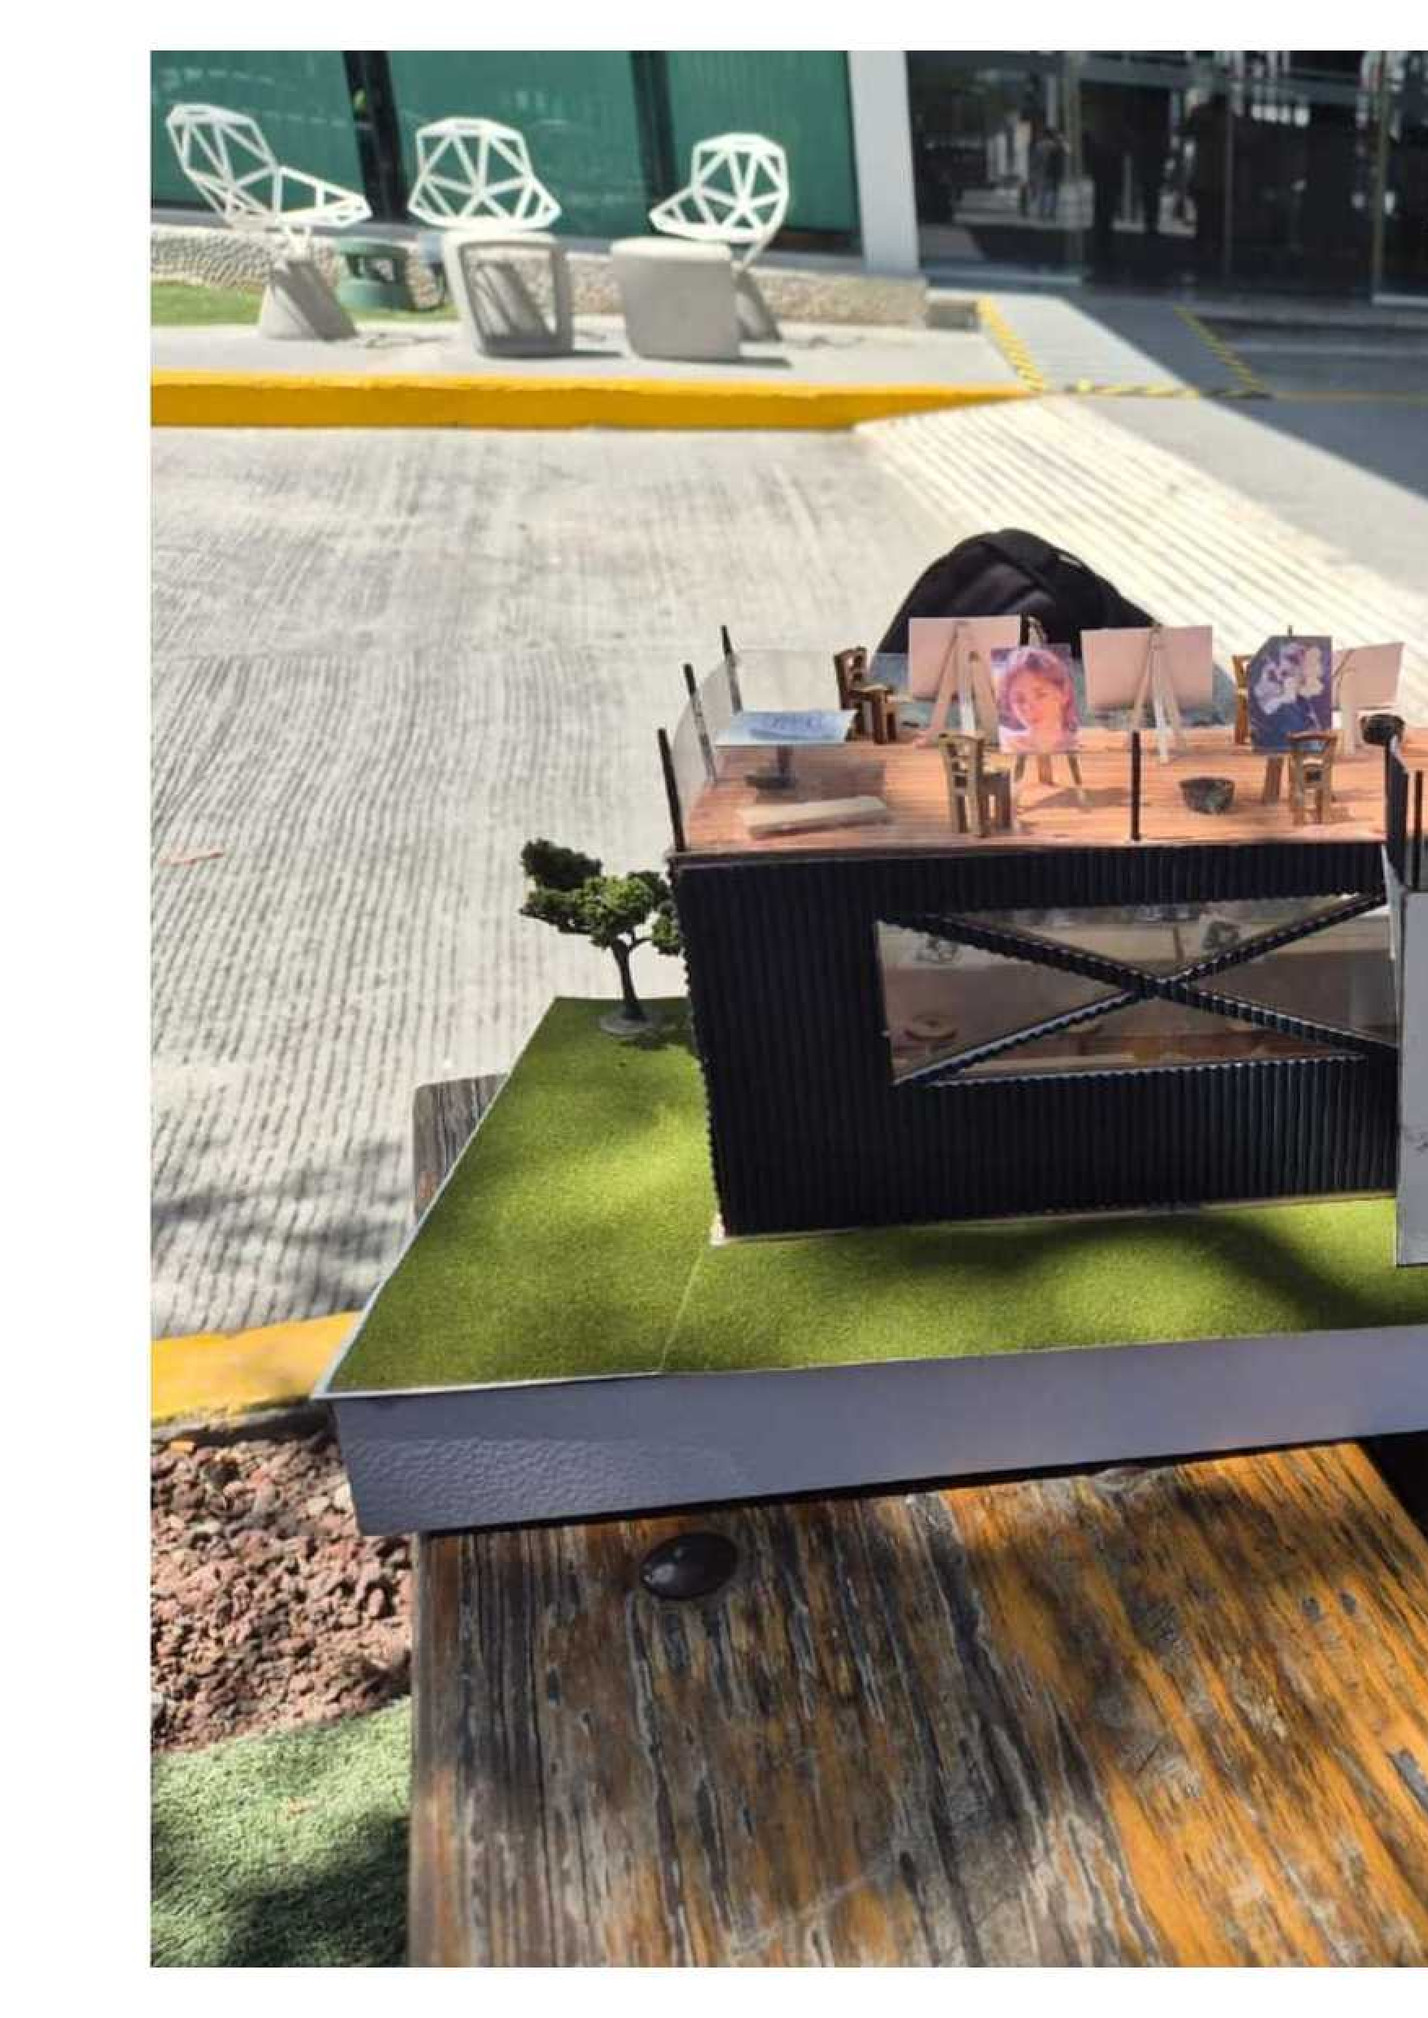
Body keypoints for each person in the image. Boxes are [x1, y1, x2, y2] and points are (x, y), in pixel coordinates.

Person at [996, 647, 1080, 753]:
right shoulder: (1007, 744)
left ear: (1064, 693)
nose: (1029, 708)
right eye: (1019, 700)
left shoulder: (1085, 743)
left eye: (1040, 695)